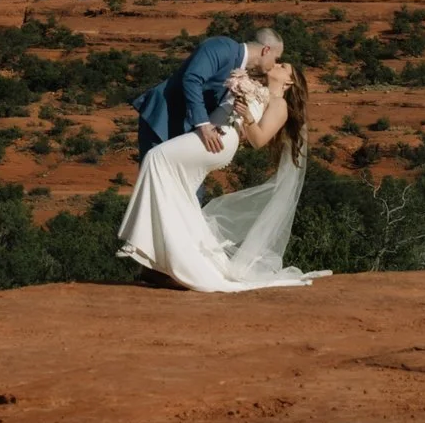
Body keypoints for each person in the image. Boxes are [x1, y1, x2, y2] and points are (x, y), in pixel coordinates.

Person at [118, 56, 327, 292]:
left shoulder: (279, 104)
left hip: (223, 141)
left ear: (289, 82)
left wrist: (247, 116)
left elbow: (259, 140)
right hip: (214, 135)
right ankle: (168, 262)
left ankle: (144, 243)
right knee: (178, 190)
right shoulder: (254, 84)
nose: (277, 65)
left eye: (283, 67)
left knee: (157, 157)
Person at [131, 28, 280, 164]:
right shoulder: (222, 46)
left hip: (187, 131)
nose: (275, 64)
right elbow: (192, 79)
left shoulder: (241, 69)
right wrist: (203, 125)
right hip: (163, 120)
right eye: (276, 58)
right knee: (158, 180)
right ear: (266, 50)